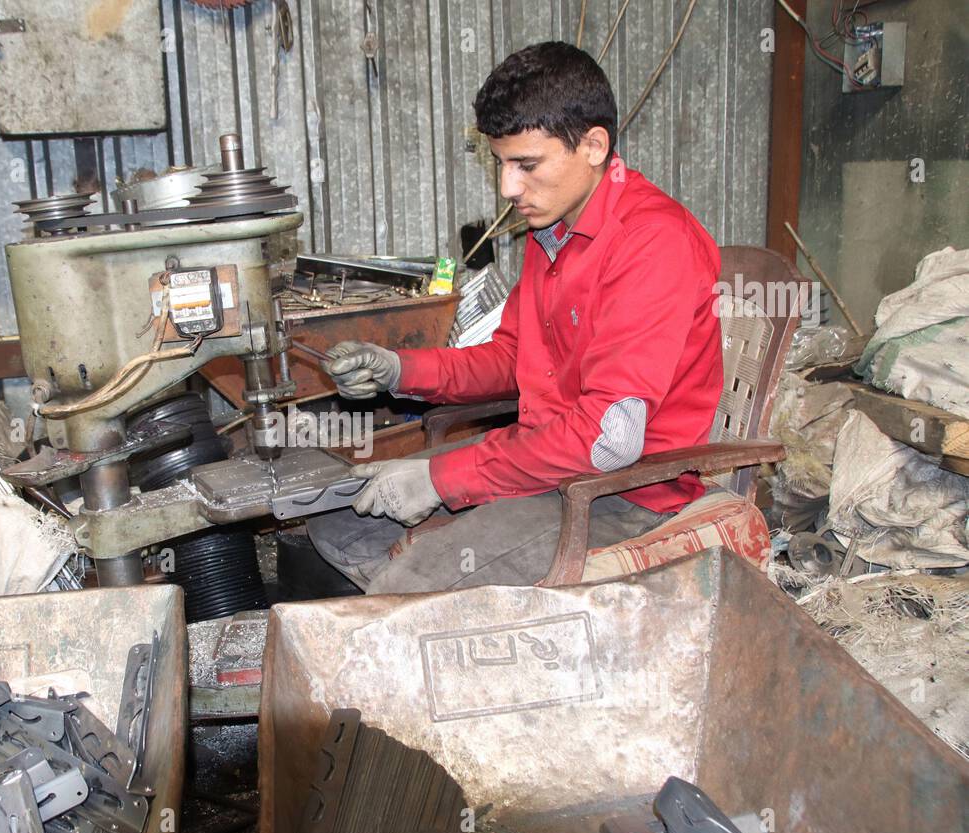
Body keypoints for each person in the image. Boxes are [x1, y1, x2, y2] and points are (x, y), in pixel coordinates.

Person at [306, 40, 723, 595]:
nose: (508, 188)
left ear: (594, 145)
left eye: (526, 165)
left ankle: (435, 616)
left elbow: (608, 441)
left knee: (408, 587)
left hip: (617, 493)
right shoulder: (552, 231)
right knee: (337, 520)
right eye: (501, 163)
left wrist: (444, 479)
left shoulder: (651, 243)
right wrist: (400, 371)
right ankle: (453, 617)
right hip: (544, 457)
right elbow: (512, 358)